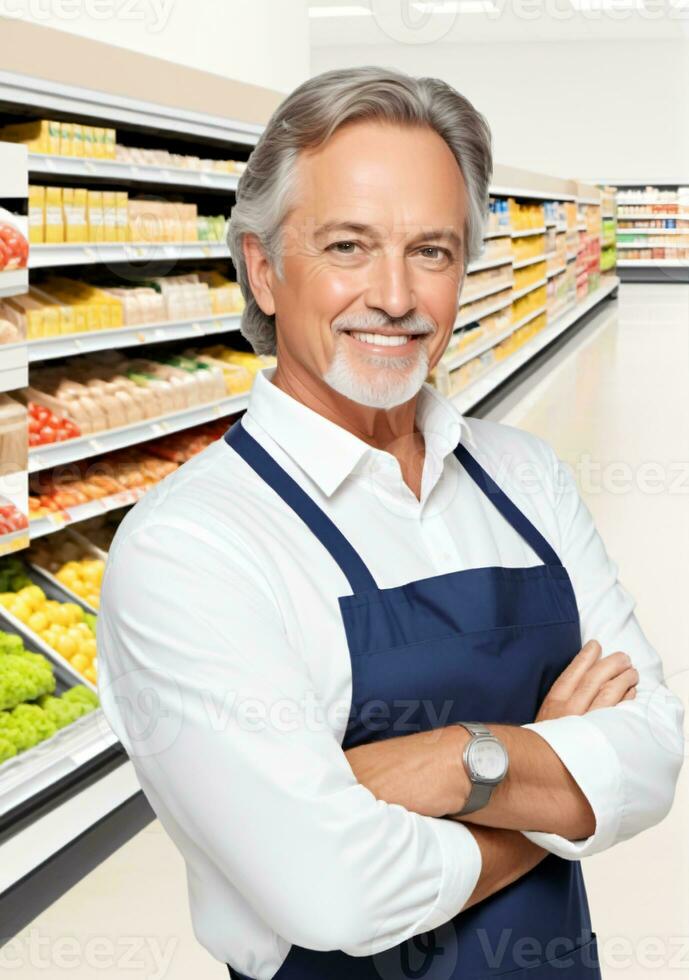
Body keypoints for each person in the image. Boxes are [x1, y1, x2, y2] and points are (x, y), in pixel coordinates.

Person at [97, 66, 684, 980]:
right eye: (346, 247)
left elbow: (650, 758)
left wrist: (455, 760)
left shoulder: (524, 478)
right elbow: (337, 891)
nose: (396, 296)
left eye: (433, 251)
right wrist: (554, 785)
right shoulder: (193, 544)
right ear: (262, 267)